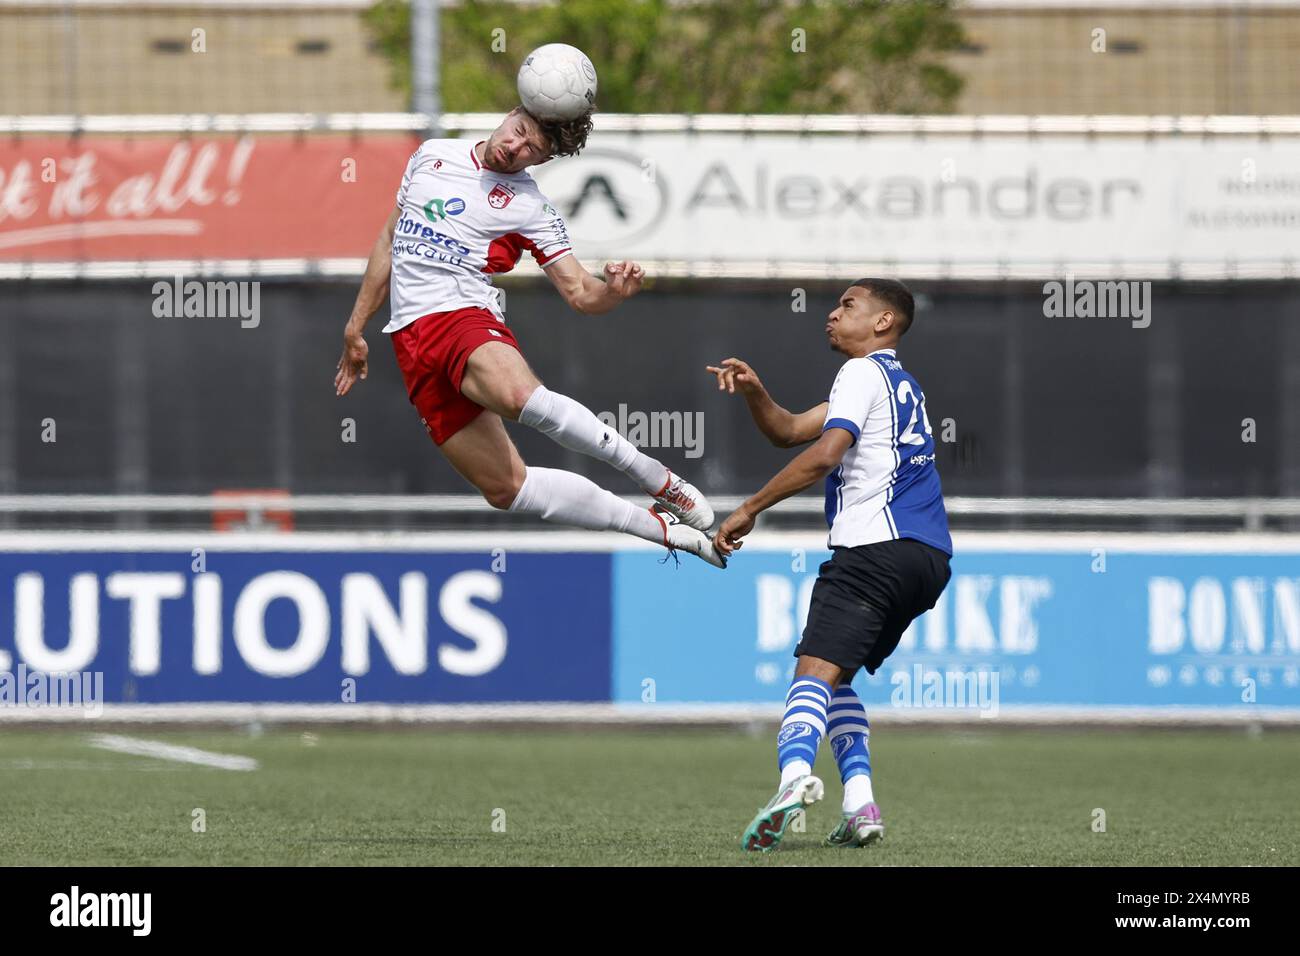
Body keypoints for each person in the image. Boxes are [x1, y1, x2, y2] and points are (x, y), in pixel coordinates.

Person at [335, 106, 723, 567]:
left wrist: (614, 292)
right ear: (511, 114)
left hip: (460, 313)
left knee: (519, 395)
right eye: (518, 133)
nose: (515, 147)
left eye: (531, 150)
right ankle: (659, 530)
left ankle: (656, 477)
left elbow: (580, 292)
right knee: (504, 488)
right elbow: (389, 238)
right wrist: (356, 325)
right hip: (409, 341)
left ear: (539, 161)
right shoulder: (431, 154)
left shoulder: (530, 206)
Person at [707, 278, 952, 850]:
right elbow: (790, 432)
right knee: (836, 679)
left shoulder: (860, 373)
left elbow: (822, 457)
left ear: (883, 322)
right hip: (927, 559)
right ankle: (860, 804)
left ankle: (793, 781)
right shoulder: (896, 383)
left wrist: (749, 509)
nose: (832, 315)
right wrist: (755, 392)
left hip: (875, 549)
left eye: (848, 306)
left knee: (810, 675)